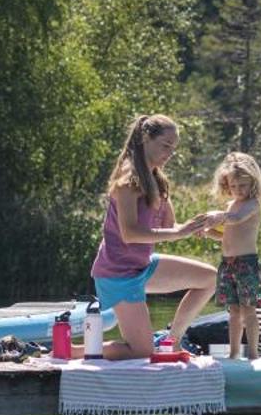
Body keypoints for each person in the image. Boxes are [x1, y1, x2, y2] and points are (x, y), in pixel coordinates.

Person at [89, 114, 222, 361]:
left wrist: (208, 229)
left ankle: (173, 339)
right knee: (141, 352)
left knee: (209, 278)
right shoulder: (127, 181)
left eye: (174, 148)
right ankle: (73, 349)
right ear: (145, 140)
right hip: (118, 273)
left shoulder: (158, 180)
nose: (170, 153)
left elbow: (171, 226)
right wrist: (177, 233)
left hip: (143, 265)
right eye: (165, 146)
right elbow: (129, 233)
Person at [205, 151, 261, 359]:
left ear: (252, 184)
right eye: (233, 186)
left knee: (248, 309)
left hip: (246, 264)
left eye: (243, 186)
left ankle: (254, 353)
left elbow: (236, 219)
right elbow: (225, 236)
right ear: (226, 185)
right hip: (228, 264)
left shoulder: (252, 204)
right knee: (233, 311)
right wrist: (206, 230)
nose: (238, 190)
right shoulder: (230, 206)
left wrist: (218, 216)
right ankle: (233, 353)